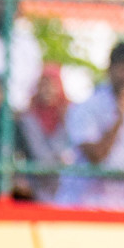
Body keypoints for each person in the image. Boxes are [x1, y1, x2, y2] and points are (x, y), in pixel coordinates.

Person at [55, 42, 124, 212]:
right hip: (83, 205)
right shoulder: (87, 107)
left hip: (123, 206)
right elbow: (96, 156)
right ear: (111, 69)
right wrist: (120, 118)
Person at [19, 64, 72, 201]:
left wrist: (65, 122)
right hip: (34, 187)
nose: (48, 90)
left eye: (52, 85)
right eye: (43, 85)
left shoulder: (70, 115)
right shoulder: (27, 117)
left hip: (65, 185)